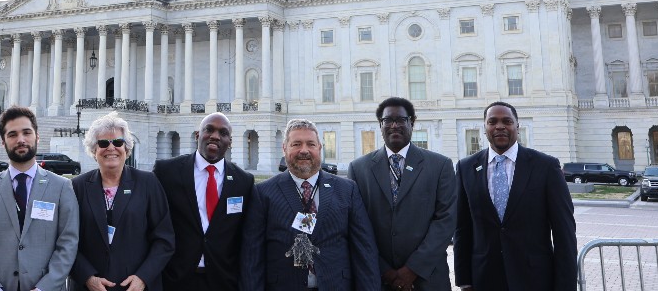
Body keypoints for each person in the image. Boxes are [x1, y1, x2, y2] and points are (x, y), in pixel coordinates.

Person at [241, 119, 380, 291]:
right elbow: (252, 256)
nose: (304, 150)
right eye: (296, 144)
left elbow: (364, 250)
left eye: (311, 144)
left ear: (319, 148)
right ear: (284, 148)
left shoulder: (347, 190)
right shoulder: (263, 193)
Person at [454, 101, 577, 291]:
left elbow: (564, 233)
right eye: (492, 122)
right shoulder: (466, 168)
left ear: (517, 127)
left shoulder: (545, 167)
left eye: (507, 121)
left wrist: (565, 286)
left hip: (535, 280)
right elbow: (462, 228)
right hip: (484, 279)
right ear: (485, 128)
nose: (499, 126)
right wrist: (464, 281)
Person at [0, 106, 79, 291]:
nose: (21, 140)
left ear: (37, 137)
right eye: (12, 134)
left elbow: (68, 244)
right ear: (3, 141)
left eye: (26, 132)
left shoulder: (62, 188)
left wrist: (44, 288)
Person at [347, 97, 456, 291]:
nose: (394, 125)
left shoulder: (440, 166)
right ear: (380, 125)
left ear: (412, 122)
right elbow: (356, 226)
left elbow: (445, 221)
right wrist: (385, 271)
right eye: (388, 120)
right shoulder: (358, 169)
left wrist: (412, 269)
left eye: (401, 120)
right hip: (377, 279)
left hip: (428, 278)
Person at [70, 112, 175, 291]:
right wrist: (87, 277)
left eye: (118, 142)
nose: (111, 148)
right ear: (94, 150)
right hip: (90, 287)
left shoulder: (148, 183)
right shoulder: (77, 186)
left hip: (136, 287)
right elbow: (67, 240)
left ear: (126, 149)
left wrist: (143, 277)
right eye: (103, 143)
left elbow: (164, 239)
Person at [152, 112, 254, 291]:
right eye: (209, 130)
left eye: (223, 133)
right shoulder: (166, 172)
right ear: (198, 135)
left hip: (223, 281)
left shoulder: (243, 182)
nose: (215, 136)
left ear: (230, 141)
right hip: (175, 279)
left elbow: (245, 235)